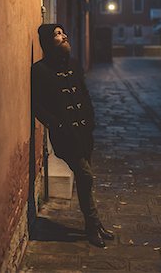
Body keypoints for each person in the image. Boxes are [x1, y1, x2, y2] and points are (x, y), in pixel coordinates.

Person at [31, 23, 114, 248]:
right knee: (86, 176)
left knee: (85, 181)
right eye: (57, 34)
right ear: (48, 42)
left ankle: (94, 224)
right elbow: (37, 105)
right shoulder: (39, 70)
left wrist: (91, 119)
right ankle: (92, 226)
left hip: (84, 133)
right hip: (66, 137)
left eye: (63, 32)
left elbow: (85, 94)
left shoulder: (74, 65)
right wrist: (55, 124)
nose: (64, 36)